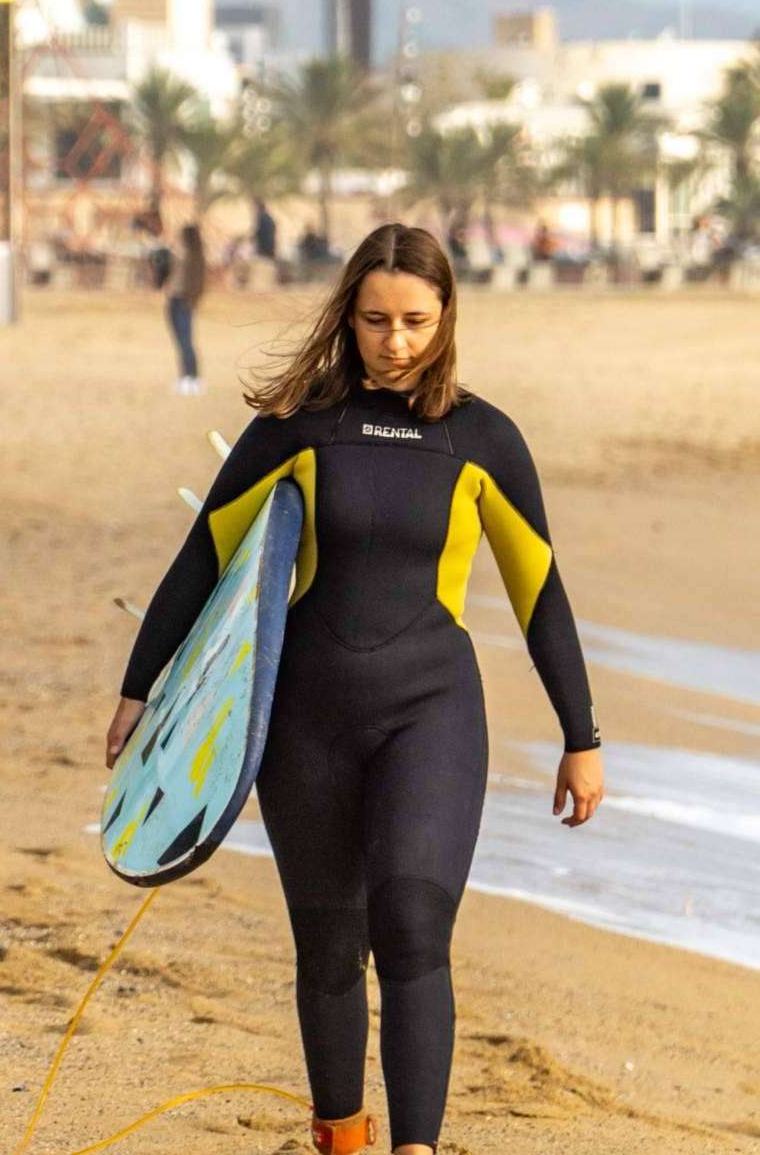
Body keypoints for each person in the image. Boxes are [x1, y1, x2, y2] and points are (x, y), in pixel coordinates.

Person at [104, 223, 605, 1155]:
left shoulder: (482, 438)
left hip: (432, 709)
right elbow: (204, 559)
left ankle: (415, 1145)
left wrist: (582, 735)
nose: (396, 340)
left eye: (416, 320)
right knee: (329, 945)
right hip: (305, 717)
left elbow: (540, 591)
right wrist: (143, 690)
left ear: (447, 316)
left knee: (414, 922)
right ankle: (340, 1135)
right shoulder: (299, 427)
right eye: (376, 319)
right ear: (349, 315)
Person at [166, 222, 206, 395]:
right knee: (182, 342)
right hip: (178, 300)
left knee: (185, 341)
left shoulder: (190, 257)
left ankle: (192, 377)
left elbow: (197, 284)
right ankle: (187, 376)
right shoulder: (189, 256)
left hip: (182, 301)